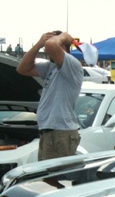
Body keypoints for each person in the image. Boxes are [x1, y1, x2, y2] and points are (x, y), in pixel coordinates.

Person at [16, 30, 84, 161]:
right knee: (47, 178)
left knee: (58, 177)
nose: (48, 50)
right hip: (49, 131)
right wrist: (38, 44)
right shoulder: (50, 67)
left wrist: (64, 36)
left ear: (64, 46)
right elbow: (22, 69)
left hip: (61, 132)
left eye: (56, 43)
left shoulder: (72, 65)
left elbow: (51, 46)